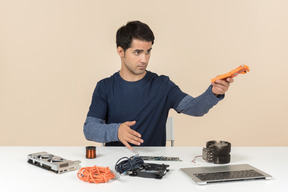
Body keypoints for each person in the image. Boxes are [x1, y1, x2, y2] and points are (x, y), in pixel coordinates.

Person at [84, 21, 234, 150]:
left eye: (148, 52)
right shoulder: (105, 87)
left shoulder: (163, 85)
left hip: (156, 166)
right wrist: (116, 131)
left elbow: (195, 108)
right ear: (121, 51)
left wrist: (213, 92)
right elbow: (89, 129)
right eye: (137, 52)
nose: (144, 59)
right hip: (117, 165)